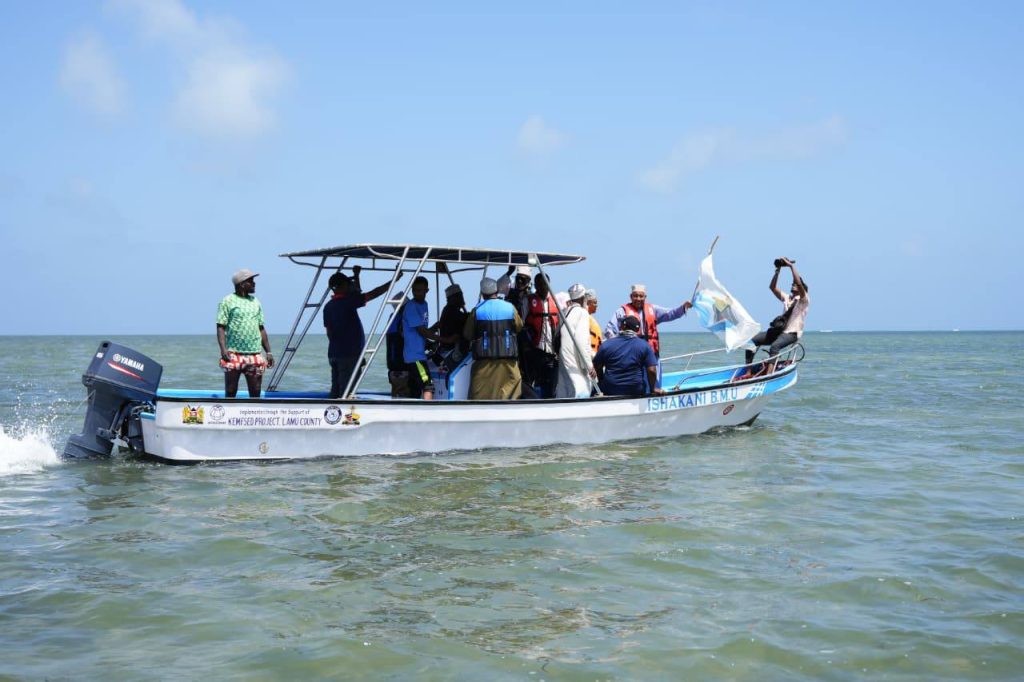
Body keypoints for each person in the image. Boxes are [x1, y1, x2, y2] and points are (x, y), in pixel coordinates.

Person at [323, 266, 396, 399]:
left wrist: (356, 276)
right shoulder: (348, 302)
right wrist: (393, 281)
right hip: (349, 355)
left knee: (336, 389)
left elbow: (329, 332)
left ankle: (333, 408)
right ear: (342, 285)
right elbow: (374, 293)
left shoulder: (328, 306)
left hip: (334, 354)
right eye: (347, 284)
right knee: (346, 391)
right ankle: (343, 410)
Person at [744, 257, 810, 374]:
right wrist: (778, 270)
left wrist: (791, 266)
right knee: (752, 341)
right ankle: (748, 371)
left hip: (791, 333)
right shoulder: (788, 298)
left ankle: (769, 375)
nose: (793, 285)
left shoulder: (804, 300)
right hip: (779, 332)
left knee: (775, 346)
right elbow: (772, 287)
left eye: (795, 284)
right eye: (792, 284)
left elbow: (799, 283)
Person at [217, 268, 273, 399]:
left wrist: (268, 352)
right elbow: (220, 327)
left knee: (255, 390)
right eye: (251, 281)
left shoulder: (255, 302)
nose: (254, 284)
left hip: (254, 354)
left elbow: (261, 328)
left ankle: (253, 411)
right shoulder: (227, 301)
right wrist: (223, 349)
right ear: (242, 284)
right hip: (233, 354)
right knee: (231, 390)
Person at [464, 277, 524, 399]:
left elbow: (467, 334)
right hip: (508, 363)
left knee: (479, 397)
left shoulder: (477, 311)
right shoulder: (510, 307)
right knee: (511, 396)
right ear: (497, 291)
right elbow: (519, 327)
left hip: (484, 364)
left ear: (482, 294)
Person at [604, 284, 692, 358]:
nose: (638, 299)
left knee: (653, 372)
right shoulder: (621, 312)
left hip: (651, 354)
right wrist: (618, 346)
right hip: (631, 355)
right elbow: (609, 330)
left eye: (641, 296)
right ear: (631, 297)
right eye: (635, 296)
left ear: (645, 297)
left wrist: (684, 307)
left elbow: (671, 314)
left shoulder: (653, 310)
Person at [593, 316, 662, 397]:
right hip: (635, 390)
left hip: (610, 389)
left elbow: (596, 367)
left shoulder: (606, 345)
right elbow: (652, 370)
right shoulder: (644, 345)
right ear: (637, 330)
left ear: (622, 327)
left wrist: (601, 381)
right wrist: (653, 389)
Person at [556, 284, 597, 399]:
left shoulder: (564, 312)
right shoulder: (582, 313)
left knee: (563, 393)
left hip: (563, 360)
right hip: (575, 363)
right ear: (583, 298)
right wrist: (589, 366)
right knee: (581, 390)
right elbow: (581, 342)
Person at [402, 276, 440, 399]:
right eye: (415, 290)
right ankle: (428, 411)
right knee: (428, 385)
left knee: (414, 389)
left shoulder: (424, 305)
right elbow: (422, 331)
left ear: (426, 290)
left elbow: (422, 330)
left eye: (420, 290)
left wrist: (436, 326)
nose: (417, 293)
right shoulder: (411, 307)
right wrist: (444, 339)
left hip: (419, 354)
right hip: (415, 357)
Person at [524, 272, 561, 398]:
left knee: (550, 384)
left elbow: (560, 326)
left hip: (551, 351)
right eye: (538, 284)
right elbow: (522, 324)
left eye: (544, 284)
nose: (541, 287)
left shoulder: (556, 301)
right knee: (533, 384)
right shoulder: (528, 301)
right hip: (535, 350)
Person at [438, 283, 469, 354]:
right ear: (452, 298)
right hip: (451, 350)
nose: (462, 298)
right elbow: (465, 320)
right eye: (459, 295)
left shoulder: (450, 310)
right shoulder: (451, 311)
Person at [585, 289, 602, 356]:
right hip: (589, 355)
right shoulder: (585, 318)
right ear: (588, 303)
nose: (596, 305)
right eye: (594, 303)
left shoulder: (590, 318)